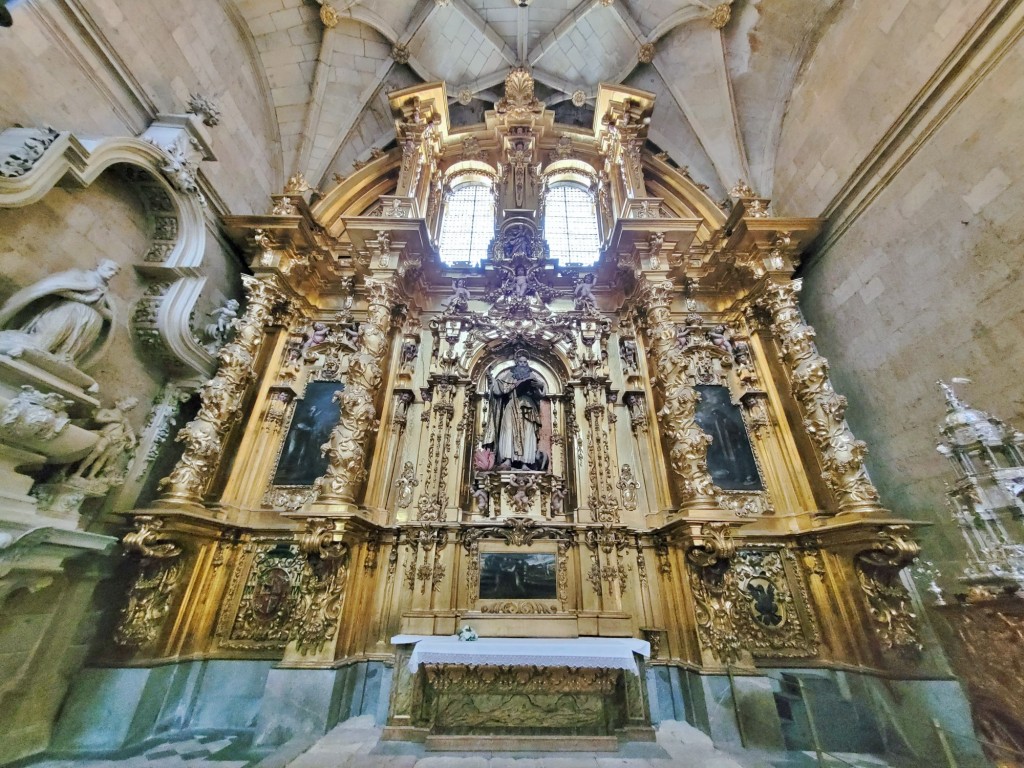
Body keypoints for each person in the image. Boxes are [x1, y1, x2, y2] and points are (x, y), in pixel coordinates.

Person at [0, 259, 120, 368]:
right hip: (68, 313)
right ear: (98, 265)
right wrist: (83, 299)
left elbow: (107, 314)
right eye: (109, 269)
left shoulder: (107, 293)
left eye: (114, 273)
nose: (111, 274)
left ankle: (59, 358)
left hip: (87, 325)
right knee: (43, 341)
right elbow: (56, 287)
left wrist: (103, 311)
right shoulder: (79, 276)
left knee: (64, 354)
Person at [482, 352, 546, 470]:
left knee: (527, 433)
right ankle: (507, 460)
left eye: (525, 362)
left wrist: (540, 386)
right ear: (517, 363)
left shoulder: (532, 376)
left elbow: (540, 395)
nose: (522, 364)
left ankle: (525, 463)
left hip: (527, 407)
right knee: (508, 430)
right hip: (512, 405)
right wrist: (492, 380)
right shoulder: (509, 376)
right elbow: (498, 390)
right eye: (520, 362)